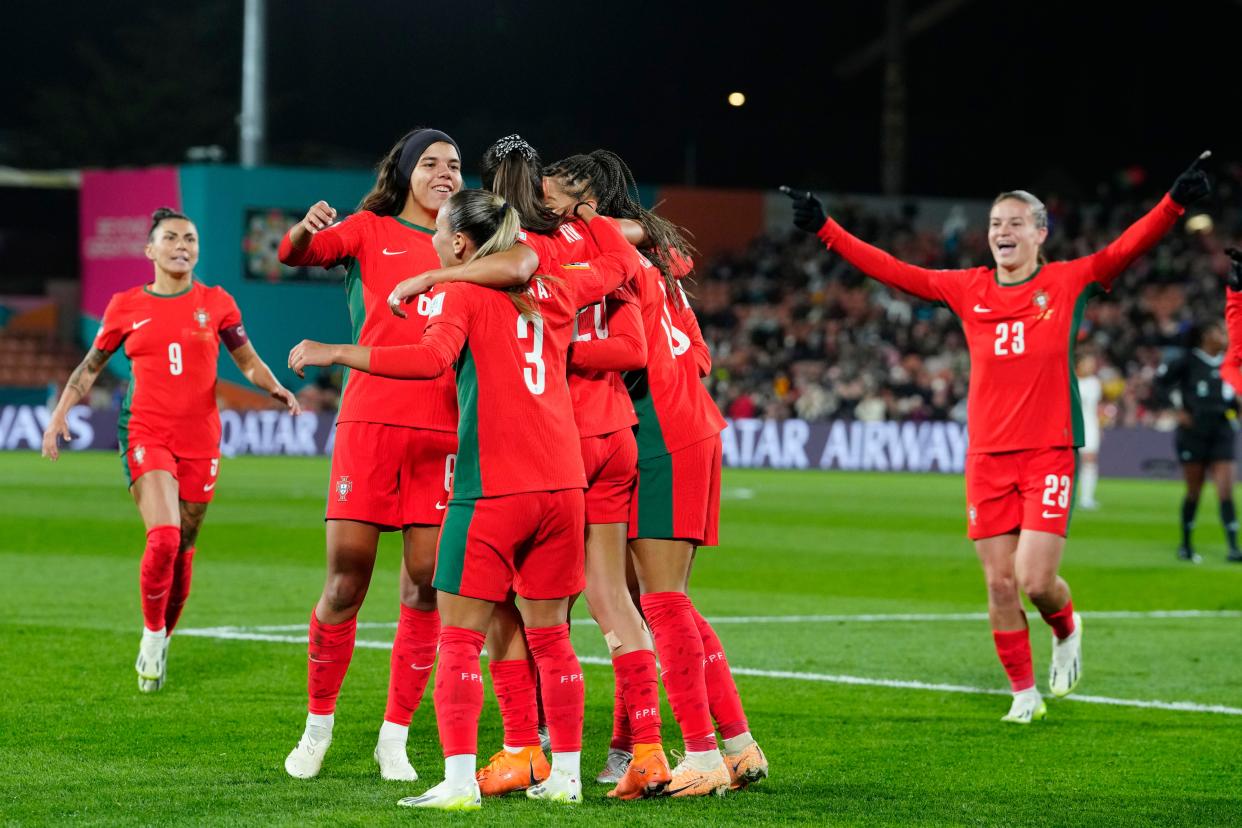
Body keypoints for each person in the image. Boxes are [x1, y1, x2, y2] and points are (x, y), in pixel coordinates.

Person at [783, 151, 1211, 722]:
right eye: (994, 224)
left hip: (1048, 451)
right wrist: (827, 230)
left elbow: (1126, 248)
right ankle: (1024, 694)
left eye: (1014, 222)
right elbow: (895, 271)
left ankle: (1067, 626)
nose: (1002, 232)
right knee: (998, 582)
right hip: (987, 455)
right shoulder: (969, 288)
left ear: (1040, 233)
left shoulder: (1067, 281)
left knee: (1035, 579)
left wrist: (1174, 201)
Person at [289, 188, 639, 809]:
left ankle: (456, 783)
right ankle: (566, 778)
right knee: (552, 634)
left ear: (458, 242)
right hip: (563, 487)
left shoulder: (461, 291)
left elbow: (429, 361)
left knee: (457, 634)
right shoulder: (554, 286)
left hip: (494, 486)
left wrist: (335, 352)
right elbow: (617, 267)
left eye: (440, 232)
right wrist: (591, 217)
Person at [447, 137, 670, 800]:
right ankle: (646, 751)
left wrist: (437, 277)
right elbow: (645, 284)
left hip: (549, 444)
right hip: (615, 435)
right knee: (612, 599)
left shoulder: (517, 256)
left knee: (515, 606)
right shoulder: (596, 243)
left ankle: (528, 745)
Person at [539, 150, 764, 797]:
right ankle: (727, 746)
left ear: (585, 203)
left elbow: (649, 348)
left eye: (552, 199)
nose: (542, 211)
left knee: (657, 601)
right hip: (682, 424)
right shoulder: (652, 262)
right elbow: (700, 352)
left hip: (661, 432)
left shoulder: (604, 256)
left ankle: (698, 757)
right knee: (654, 601)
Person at [40, 207, 299, 693]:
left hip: (202, 438)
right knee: (163, 537)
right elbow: (90, 367)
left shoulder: (217, 302)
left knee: (183, 547)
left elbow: (247, 360)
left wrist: (275, 387)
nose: (183, 245)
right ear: (150, 250)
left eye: (191, 238)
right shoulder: (125, 306)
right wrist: (59, 415)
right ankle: (153, 637)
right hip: (145, 432)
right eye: (172, 238)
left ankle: (165, 634)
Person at [276, 128, 463, 781]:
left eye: (456, 166)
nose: (446, 173)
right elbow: (295, 254)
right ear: (407, 171)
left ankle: (394, 737)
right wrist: (302, 230)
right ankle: (318, 728)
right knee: (345, 579)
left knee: (424, 587)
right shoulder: (368, 229)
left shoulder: (473, 250)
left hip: (443, 432)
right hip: (370, 423)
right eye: (433, 163)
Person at [1155, 320, 1241, 563]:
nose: (1225, 336)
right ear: (1206, 336)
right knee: (1195, 490)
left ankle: (1234, 547)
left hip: (1223, 429)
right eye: (1219, 331)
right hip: (1193, 432)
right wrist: (1176, 410)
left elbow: (1233, 394)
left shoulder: (1230, 362)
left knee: (1226, 489)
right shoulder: (1187, 360)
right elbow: (1160, 385)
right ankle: (1186, 544)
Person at [1075, 352, 1102, 510]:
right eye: (1087, 362)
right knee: (1068, 463)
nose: (1091, 366)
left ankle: (1087, 498)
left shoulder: (1094, 383)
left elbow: (1095, 407)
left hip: (1090, 425)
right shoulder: (1071, 380)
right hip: (1072, 425)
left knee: (1089, 460)